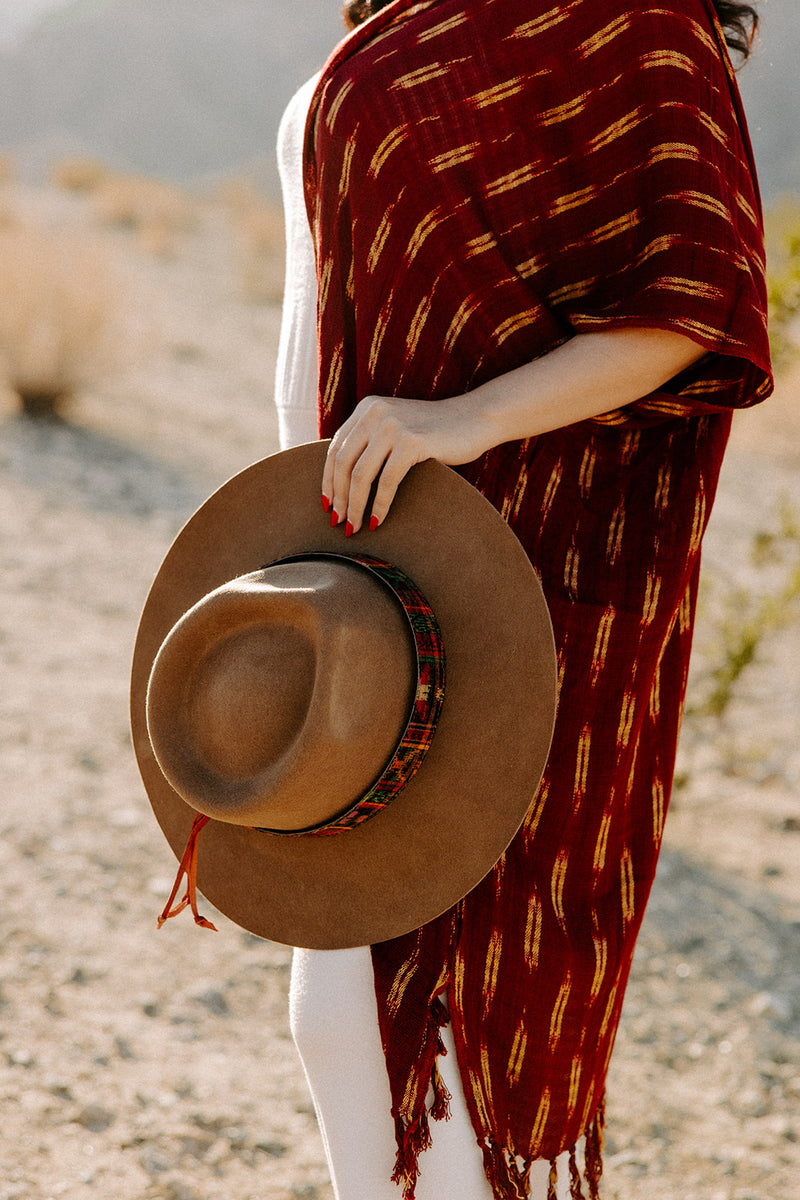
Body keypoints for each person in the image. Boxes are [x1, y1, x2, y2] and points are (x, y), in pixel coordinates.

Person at [274, 1, 772, 1197]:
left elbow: (691, 304)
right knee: (337, 1014)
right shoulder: (410, 18)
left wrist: (463, 420)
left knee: (448, 1061)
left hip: (509, 597)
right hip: (345, 580)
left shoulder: (636, 24)